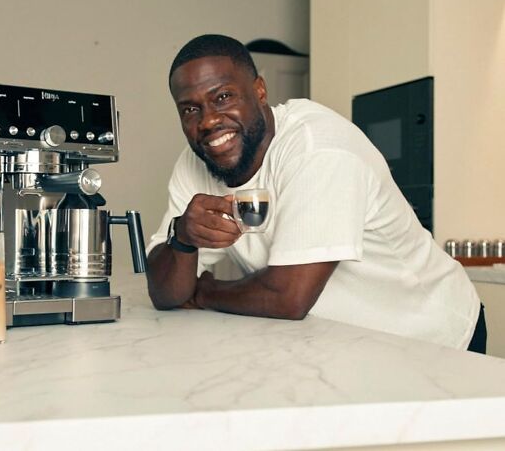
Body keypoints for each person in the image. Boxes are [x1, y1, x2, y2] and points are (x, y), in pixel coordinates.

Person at [145, 34, 486, 352]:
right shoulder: (195, 162)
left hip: (436, 338)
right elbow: (166, 294)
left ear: (260, 91)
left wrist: (206, 291)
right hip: (346, 343)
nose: (207, 122)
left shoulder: (318, 148)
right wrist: (182, 238)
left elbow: (288, 297)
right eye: (190, 109)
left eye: (223, 97)